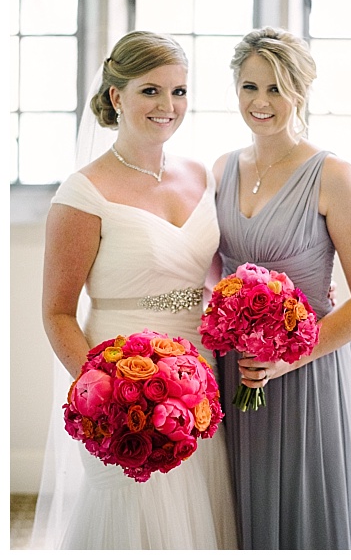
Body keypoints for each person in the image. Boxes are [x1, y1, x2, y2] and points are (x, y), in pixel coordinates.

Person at [31, 30, 237, 549]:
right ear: (116, 96)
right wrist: (107, 394)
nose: (168, 106)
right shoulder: (83, 192)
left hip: (201, 374)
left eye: (180, 91)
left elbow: (216, 274)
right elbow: (57, 313)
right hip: (124, 384)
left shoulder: (200, 174)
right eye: (151, 91)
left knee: (201, 510)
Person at [211, 26, 351, 550]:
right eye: (250, 87)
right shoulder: (222, 169)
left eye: (276, 88)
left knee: (301, 510)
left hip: (305, 370)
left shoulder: (333, 175)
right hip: (234, 367)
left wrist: (287, 359)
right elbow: (211, 269)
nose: (261, 102)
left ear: (300, 91)